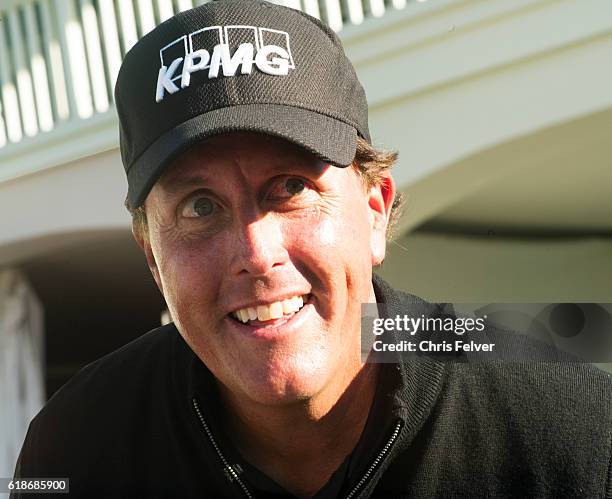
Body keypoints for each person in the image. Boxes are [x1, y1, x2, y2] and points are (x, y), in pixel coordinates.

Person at [12, 1, 612, 497]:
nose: (256, 250)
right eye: (199, 207)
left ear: (375, 210)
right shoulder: (72, 450)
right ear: (151, 255)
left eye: (293, 188)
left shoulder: (568, 432)